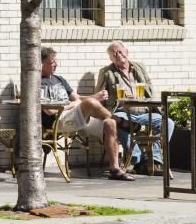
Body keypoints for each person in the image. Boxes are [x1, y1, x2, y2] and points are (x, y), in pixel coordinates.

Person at [41, 47, 134, 180]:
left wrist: (96, 97)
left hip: (76, 117)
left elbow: (78, 98)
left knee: (110, 123)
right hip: (59, 121)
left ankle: (115, 169)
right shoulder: (37, 83)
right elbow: (49, 111)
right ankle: (122, 122)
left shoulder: (59, 79)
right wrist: (73, 104)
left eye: (56, 61)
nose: (56, 64)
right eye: (52, 62)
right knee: (90, 103)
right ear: (41, 64)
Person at [96, 41, 174, 175]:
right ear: (111, 58)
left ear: (127, 52)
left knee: (167, 123)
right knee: (116, 122)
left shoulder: (139, 67)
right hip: (122, 112)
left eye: (120, 51)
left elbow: (149, 89)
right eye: (114, 53)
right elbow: (99, 96)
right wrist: (103, 101)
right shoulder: (106, 72)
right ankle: (137, 160)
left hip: (144, 111)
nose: (118, 55)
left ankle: (154, 160)